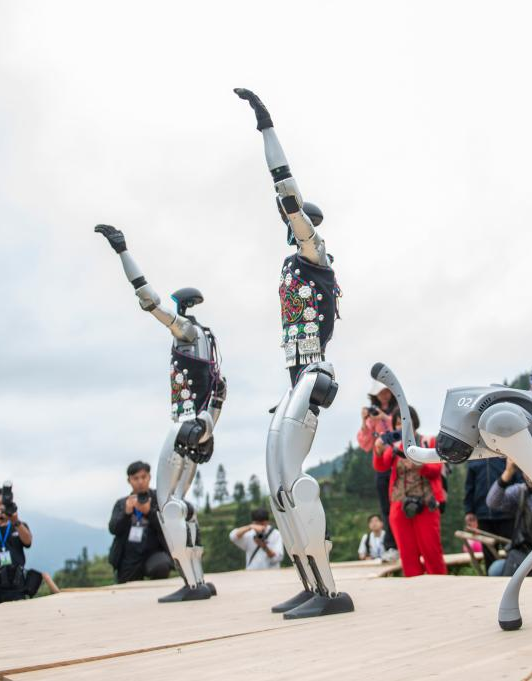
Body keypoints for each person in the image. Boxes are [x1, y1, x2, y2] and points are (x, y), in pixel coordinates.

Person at [236, 87, 353, 618]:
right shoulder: (294, 263)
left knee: (294, 481)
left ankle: (328, 589)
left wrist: (266, 127)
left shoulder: (315, 255)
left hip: (312, 374)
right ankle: (310, 580)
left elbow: (287, 192)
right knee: (280, 486)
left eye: (299, 221)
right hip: (295, 379)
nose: (292, 225)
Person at [95, 224, 226, 603]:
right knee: (181, 504)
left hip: (183, 425)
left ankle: (192, 582)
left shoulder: (186, 331)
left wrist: (123, 252)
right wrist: (208, 428)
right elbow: (220, 391)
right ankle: (197, 578)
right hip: (199, 424)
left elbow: (148, 299)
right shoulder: (207, 341)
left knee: (169, 505)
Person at [373, 407, 447, 577]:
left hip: (426, 503)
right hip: (399, 504)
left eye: (405, 422)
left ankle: (441, 586)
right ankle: (415, 588)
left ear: (414, 422)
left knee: (431, 551)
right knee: (407, 555)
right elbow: (381, 466)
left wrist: (419, 465)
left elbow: (437, 469)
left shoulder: (428, 441)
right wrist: (378, 451)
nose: (401, 426)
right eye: (398, 423)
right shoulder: (394, 447)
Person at [108, 461, 176, 584]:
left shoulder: (159, 498)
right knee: (126, 587)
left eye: (143, 477)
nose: (140, 482)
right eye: (135, 478)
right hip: (130, 556)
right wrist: (126, 513)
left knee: (161, 565)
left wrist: (149, 512)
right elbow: (113, 529)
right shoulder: (122, 503)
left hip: (155, 553)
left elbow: (169, 526)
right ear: (129, 480)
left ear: (149, 477)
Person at [357, 380, 399, 561]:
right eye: (381, 392)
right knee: (386, 508)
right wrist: (364, 420)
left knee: (399, 506)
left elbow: (403, 430)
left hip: (398, 462)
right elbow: (365, 443)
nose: (384, 395)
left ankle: (402, 544)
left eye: (386, 391)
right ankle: (391, 545)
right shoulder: (372, 416)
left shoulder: (398, 410)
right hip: (382, 465)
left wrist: (385, 417)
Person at [465, 456, 522, 564]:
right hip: (483, 515)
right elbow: (469, 486)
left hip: (507, 514)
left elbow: (519, 481)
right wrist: (469, 511)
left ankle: (516, 573)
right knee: (489, 556)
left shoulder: (506, 456)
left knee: (513, 552)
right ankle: (492, 573)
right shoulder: (474, 458)